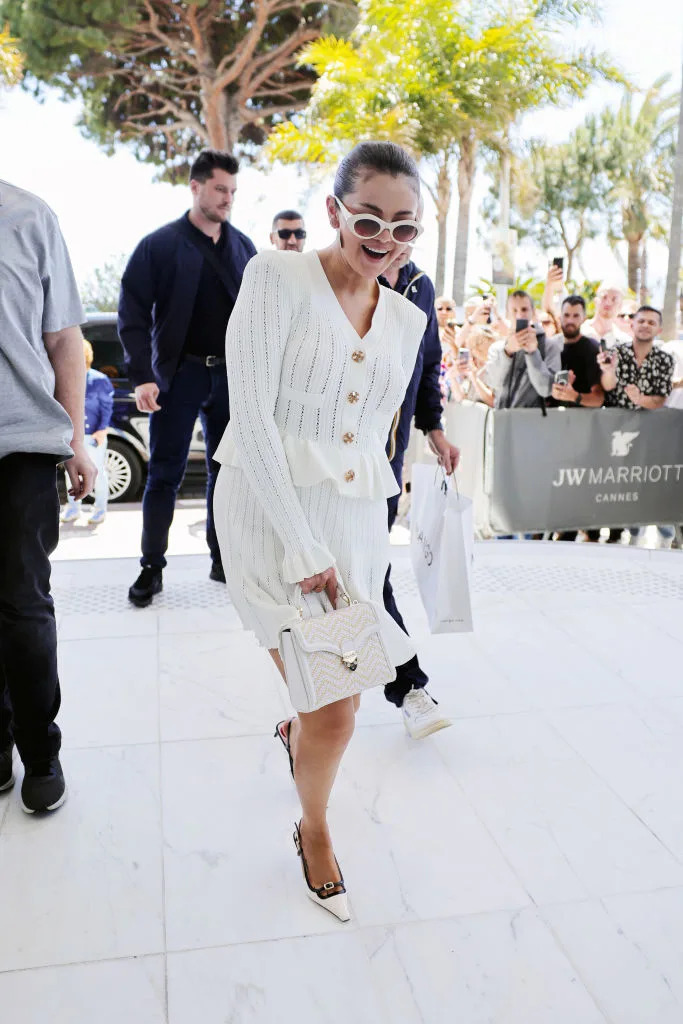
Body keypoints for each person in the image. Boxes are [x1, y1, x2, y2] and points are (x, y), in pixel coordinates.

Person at [212, 141, 430, 922]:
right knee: (336, 708)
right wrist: (302, 544)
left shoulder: (407, 318)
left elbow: (372, 443)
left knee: (332, 701)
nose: (384, 239)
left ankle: (294, 731)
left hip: (346, 531)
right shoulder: (274, 277)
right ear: (336, 212)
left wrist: (364, 565)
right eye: (368, 219)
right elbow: (256, 418)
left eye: (404, 227)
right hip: (269, 520)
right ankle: (313, 830)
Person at [118, 150, 256, 606]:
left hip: (230, 377)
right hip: (179, 376)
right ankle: (151, 567)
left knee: (226, 473)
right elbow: (132, 313)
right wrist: (143, 376)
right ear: (195, 187)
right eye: (220, 189)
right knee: (164, 474)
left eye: (233, 191)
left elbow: (260, 315)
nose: (228, 199)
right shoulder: (158, 246)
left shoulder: (243, 248)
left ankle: (222, 559)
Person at [0, 179, 96, 813]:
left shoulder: (30, 216)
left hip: (23, 443)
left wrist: (77, 440)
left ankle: (40, 750)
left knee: (22, 606)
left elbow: (65, 343)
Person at [378, 244, 460, 739]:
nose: (396, 235)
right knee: (351, 573)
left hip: (388, 457)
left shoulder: (420, 286)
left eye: (409, 224)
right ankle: (408, 686)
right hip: (328, 457)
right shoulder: (336, 276)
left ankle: (407, 687)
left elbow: (428, 364)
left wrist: (433, 428)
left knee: (368, 567)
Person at [60, 338, 114, 525]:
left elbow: (107, 407)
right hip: (72, 437)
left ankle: (100, 510)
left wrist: (102, 430)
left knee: (98, 473)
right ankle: (74, 508)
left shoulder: (99, 380)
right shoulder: (65, 379)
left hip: (93, 437)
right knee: (71, 473)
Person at [484, 290, 562, 408]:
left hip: (535, 421)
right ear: (507, 314)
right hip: (504, 420)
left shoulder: (549, 346)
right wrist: (507, 352)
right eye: (514, 310)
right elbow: (494, 383)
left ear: (533, 312)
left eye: (524, 309)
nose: (520, 315)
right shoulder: (497, 348)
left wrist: (532, 353)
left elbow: (546, 389)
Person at [598, 306, 674, 410]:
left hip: (647, 423)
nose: (645, 325)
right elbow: (608, 386)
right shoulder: (616, 352)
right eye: (641, 321)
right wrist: (609, 370)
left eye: (651, 323)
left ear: (659, 330)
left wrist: (639, 399)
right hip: (614, 421)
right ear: (632, 325)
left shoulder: (665, 360)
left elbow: (660, 400)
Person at [549, 296, 604, 409]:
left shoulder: (592, 348)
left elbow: (598, 398)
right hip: (551, 419)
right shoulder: (550, 346)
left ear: (584, 318)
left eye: (576, 316)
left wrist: (574, 396)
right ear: (560, 317)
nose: (570, 321)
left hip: (582, 420)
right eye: (566, 315)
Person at [582, 282, 631, 346]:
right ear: (596, 301)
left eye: (614, 299)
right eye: (604, 297)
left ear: (620, 306)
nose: (608, 302)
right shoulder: (579, 332)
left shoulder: (624, 341)